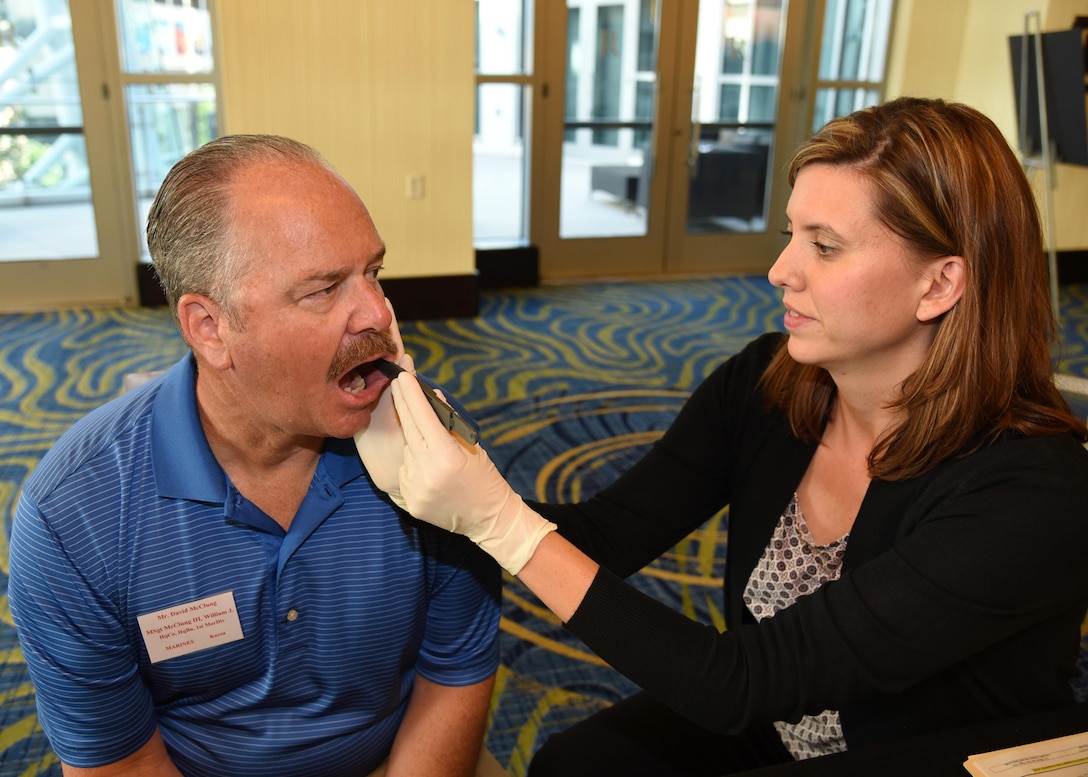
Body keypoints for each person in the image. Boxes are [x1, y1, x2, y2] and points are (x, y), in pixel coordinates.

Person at [360, 97, 1088, 776]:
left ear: (939, 285)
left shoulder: (1032, 491)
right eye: (790, 235)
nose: (779, 271)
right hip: (773, 714)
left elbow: (739, 680)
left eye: (825, 247)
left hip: (920, 752)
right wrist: (437, 482)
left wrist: (501, 521)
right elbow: (606, 535)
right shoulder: (773, 382)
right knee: (566, 768)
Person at [7, 135, 505, 777]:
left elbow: (455, 672)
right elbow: (121, 765)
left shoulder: (434, 453)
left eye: (373, 272)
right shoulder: (75, 516)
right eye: (323, 290)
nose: (379, 313)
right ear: (210, 329)